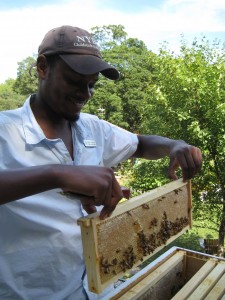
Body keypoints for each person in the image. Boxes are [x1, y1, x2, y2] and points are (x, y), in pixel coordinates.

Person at [0, 25, 202, 300]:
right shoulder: (5, 130)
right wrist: (58, 174)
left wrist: (173, 145)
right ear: (43, 67)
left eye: (92, 84)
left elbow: (140, 144)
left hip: (102, 292)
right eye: (74, 81)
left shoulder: (92, 128)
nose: (86, 94)